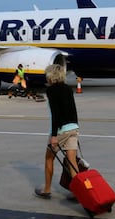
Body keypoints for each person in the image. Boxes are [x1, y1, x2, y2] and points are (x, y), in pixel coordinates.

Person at [34, 64, 80, 199]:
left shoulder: (52, 90)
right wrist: (75, 127)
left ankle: (47, 190)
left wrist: (54, 135)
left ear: (51, 76)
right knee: (72, 161)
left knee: (49, 157)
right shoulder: (68, 89)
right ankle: (78, 192)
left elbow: (56, 114)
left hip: (61, 130)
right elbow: (72, 109)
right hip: (73, 127)